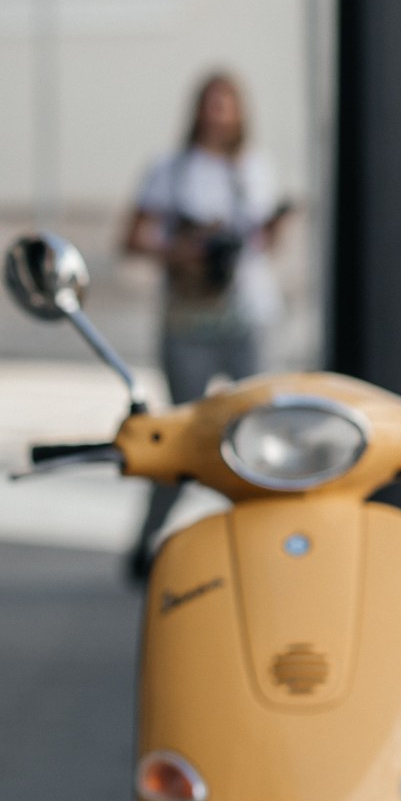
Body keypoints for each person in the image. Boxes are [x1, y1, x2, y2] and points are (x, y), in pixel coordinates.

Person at [121, 70, 290, 578]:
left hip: (248, 315)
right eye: (211, 104)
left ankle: (260, 540)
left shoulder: (256, 169)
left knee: (259, 433)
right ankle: (148, 539)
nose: (219, 114)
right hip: (190, 320)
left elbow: (266, 244)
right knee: (184, 436)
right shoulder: (171, 171)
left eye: (228, 104)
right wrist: (185, 248)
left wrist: (260, 233)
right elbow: (134, 236)